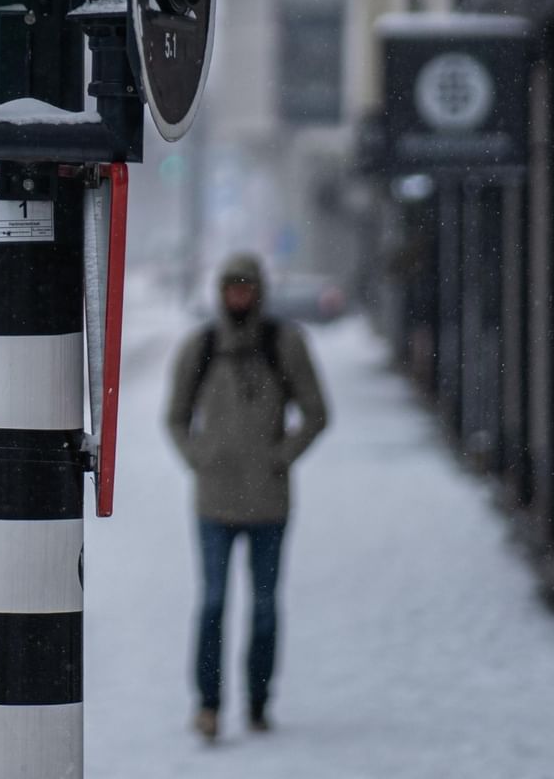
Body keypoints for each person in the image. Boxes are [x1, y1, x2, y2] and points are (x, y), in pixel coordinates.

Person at [164, 252, 330, 742]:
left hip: (269, 502)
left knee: (263, 605)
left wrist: (282, 456)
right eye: (230, 287)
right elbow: (175, 416)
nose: (239, 296)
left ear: (259, 290)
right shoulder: (202, 346)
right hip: (213, 501)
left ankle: (259, 701)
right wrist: (198, 457)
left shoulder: (285, 344)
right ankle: (208, 705)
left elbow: (317, 412)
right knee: (213, 603)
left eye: (246, 287)